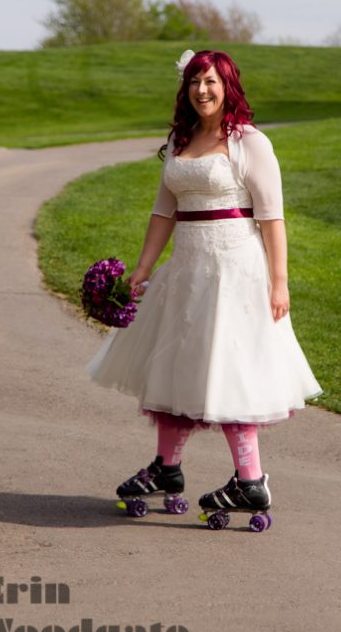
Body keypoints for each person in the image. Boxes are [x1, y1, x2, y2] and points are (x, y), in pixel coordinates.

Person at [86, 49, 322, 522]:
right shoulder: (181, 139)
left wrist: (279, 283)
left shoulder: (250, 143)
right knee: (176, 363)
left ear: (227, 86)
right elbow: (164, 212)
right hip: (187, 270)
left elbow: (272, 217)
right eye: (194, 82)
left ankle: (251, 481)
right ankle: (167, 468)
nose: (202, 90)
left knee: (230, 366)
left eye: (210, 81)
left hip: (236, 271)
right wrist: (143, 269)